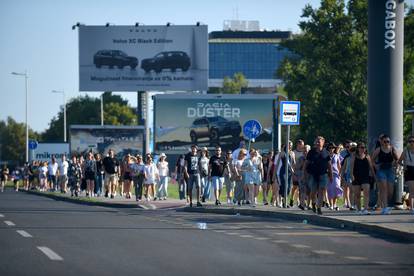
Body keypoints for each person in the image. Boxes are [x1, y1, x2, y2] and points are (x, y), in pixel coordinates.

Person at [303, 136, 333, 215]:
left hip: (323, 175)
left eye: (319, 142)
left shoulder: (326, 152)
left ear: (323, 143)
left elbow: (329, 165)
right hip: (313, 175)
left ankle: (319, 208)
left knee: (322, 191)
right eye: (316, 142)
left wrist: (331, 175)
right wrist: (304, 174)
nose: (317, 143)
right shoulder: (311, 152)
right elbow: (306, 163)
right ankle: (313, 203)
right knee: (313, 192)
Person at [371, 135, 399, 214]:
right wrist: (376, 166)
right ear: (381, 142)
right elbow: (371, 159)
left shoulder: (392, 149)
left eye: (388, 141)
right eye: (385, 141)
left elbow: (397, 159)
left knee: (390, 191)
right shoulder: (378, 149)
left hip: (390, 170)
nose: (386, 143)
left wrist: (396, 166)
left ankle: (385, 204)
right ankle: (385, 207)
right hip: (381, 170)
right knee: (384, 188)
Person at [350, 142, 376, 215]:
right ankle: (358, 209)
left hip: (365, 176)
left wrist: (374, 176)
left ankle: (365, 209)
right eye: (361, 147)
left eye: (364, 147)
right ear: (358, 148)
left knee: (366, 193)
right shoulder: (354, 156)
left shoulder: (367, 156)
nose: (362, 149)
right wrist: (352, 175)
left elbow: (371, 167)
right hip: (356, 176)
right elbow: (351, 167)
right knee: (357, 194)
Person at [275, 141, 295, 208]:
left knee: (289, 188)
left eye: (291, 145)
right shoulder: (282, 153)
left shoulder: (292, 153)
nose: (290, 146)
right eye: (289, 145)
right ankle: (284, 202)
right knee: (284, 186)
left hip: (289, 172)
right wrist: (275, 173)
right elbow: (277, 163)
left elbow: (293, 163)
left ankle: (284, 200)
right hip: (283, 171)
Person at [398, 136, 414, 214]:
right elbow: (399, 161)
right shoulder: (406, 150)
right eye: (410, 141)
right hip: (409, 170)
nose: (412, 143)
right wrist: (404, 166)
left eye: (413, 141)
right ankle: (411, 207)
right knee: (412, 189)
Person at [326, 143, 343, 210]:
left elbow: (339, 165)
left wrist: (340, 174)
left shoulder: (336, 156)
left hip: (336, 174)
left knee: (336, 188)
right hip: (328, 174)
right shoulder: (326, 156)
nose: (331, 149)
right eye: (330, 148)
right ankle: (331, 205)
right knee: (329, 189)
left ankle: (334, 203)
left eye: (332, 148)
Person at [291, 140, 305, 206]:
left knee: (300, 188)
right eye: (301, 144)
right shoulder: (294, 152)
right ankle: (291, 198)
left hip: (302, 172)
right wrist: (293, 172)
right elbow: (292, 163)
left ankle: (299, 201)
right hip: (295, 172)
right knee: (294, 187)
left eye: (302, 145)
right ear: (298, 144)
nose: (301, 146)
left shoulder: (303, 153)